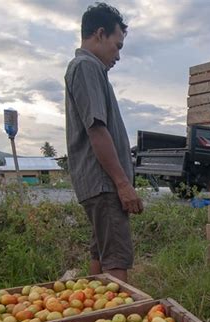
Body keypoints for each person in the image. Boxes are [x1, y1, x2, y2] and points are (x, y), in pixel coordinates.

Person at [65, 3, 143, 283]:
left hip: (99, 184)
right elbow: (97, 130)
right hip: (104, 183)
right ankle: (122, 321)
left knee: (100, 252)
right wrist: (123, 184)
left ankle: (89, 314)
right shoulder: (86, 66)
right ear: (99, 34)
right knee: (116, 259)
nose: (118, 55)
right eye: (117, 45)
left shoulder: (89, 69)